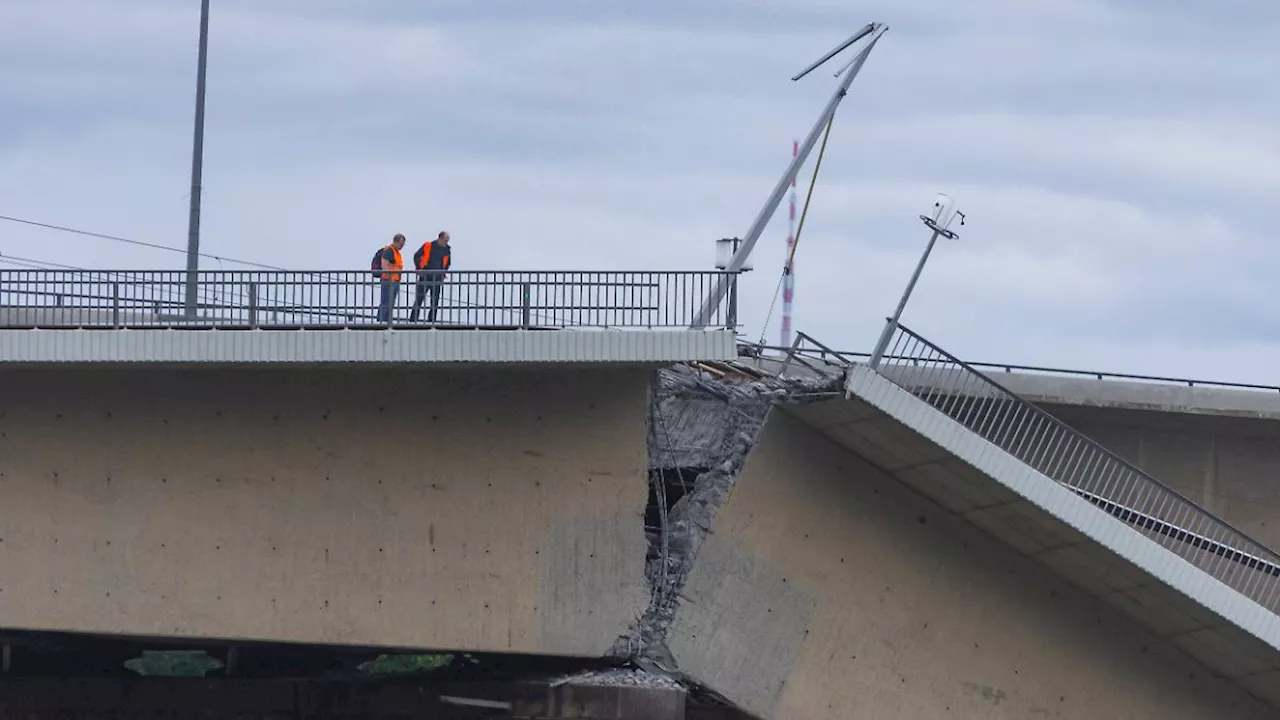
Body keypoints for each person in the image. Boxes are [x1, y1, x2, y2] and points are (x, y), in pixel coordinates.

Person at [410, 231, 452, 323]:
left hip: (437, 278)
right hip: (425, 276)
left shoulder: (447, 250)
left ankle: (431, 321)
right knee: (419, 299)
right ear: (440, 238)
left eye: (447, 241)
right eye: (445, 240)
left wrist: (443, 272)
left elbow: (448, 263)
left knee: (435, 301)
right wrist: (419, 269)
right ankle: (413, 320)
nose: (446, 243)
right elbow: (417, 256)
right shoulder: (428, 245)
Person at [375, 234, 406, 323]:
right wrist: (388, 276)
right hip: (388, 280)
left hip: (395, 280)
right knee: (386, 302)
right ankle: (381, 321)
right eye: (401, 244)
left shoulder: (396, 252)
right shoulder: (389, 250)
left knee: (391, 302)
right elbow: (384, 263)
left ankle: (387, 320)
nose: (402, 246)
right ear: (395, 242)